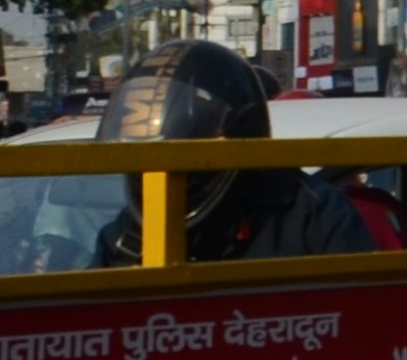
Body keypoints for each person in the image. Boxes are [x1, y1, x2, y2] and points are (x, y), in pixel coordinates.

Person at [86, 39, 376, 265]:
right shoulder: (129, 234)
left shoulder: (312, 214)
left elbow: (359, 308)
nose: (163, 181)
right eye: (143, 167)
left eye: (188, 165)